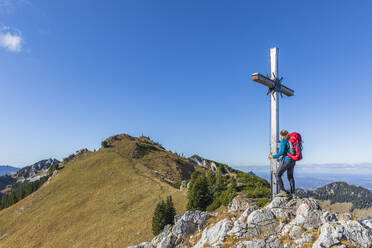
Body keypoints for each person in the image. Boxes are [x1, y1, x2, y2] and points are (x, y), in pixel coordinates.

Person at [268, 129, 296, 197]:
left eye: (280, 135)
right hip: (293, 161)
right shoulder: (290, 141)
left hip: (286, 160)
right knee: (290, 176)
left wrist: (273, 156)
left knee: (277, 174)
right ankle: (293, 193)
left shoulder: (283, 141)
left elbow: (281, 152)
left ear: (281, 135)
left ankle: (283, 191)